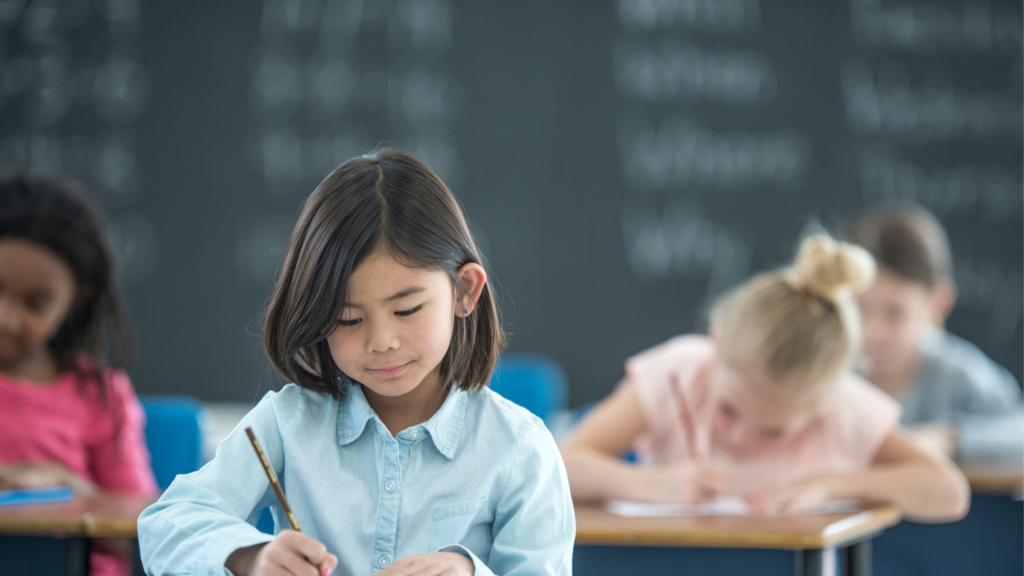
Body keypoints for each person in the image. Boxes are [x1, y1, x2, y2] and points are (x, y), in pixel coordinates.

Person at [138, 149, 575, 576]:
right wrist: (251, 557)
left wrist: (467, 570)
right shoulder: (287, 423)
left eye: (406, 310)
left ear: (464, 290)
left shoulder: (520, 449)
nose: (380, 342)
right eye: (347, 318)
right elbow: (167, 523)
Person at [560, 234, 969, 522]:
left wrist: (830, 485)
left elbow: (948, 492)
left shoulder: (843, 405)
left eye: (774, 431)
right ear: (716, 345)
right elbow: (560, 466)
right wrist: (647, 486)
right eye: (730, 409)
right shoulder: (681, 373)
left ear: (824, 402)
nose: (740, 436)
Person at [0, 172, 158, 576]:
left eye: (36, 304)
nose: (6, 318)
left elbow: (145, 534)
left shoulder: (99, 394)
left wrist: (73, 492)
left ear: (80, 295)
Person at [849, 205, 1024, 464]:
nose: (872, 331)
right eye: (859, 309)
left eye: (895, 313)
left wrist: (952, 440)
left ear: (938, 303)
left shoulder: (958, 373)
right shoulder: (835, 372)